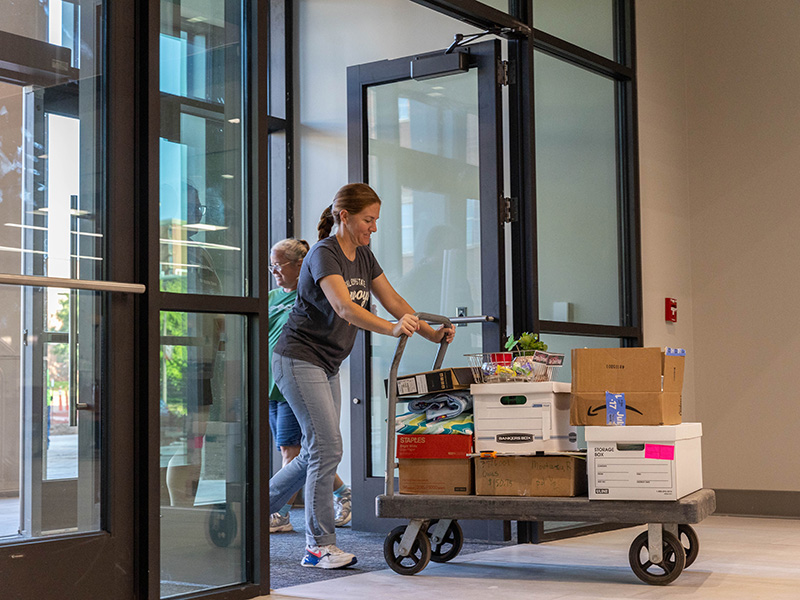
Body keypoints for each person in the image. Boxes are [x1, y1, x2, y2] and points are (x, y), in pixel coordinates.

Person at [270, 183, 455, 569]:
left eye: (376, 221)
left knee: (315, 450)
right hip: (298, 358)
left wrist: (431, 332)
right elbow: (343, 307)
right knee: (327, 447)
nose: (373, 228)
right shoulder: (324, 253)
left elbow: (395, 302)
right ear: (345, 216)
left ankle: (258, 509)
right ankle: (318, 545)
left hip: (327, 362)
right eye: (368, 220)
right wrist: (390, 329)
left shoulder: (364, 257)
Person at [267, 237, 353, 533]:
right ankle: (343, 494)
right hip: (273, 385)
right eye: (272, 265)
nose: (274, 271)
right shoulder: (270, 298)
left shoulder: (309, 294)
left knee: (297, 451)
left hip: (299, 379)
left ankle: (279, 512)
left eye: (278, 265)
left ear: (300, 265)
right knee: (312, 450)